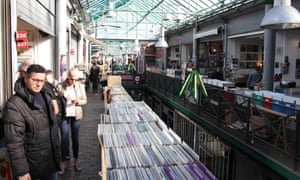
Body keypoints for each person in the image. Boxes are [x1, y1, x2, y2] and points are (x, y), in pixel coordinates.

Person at [3, 64, 60, 180]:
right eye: (35, 80)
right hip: (32, 165)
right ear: (25, 78)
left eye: (42, 81)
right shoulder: (15, 104)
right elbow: (14, 142)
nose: (38, 84)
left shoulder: (45, 95)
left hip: (50, 160)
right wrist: (22, 171)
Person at [59, 68, 87, 174]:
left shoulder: (80, 86)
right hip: (65, 115)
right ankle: (63, 164)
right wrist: (63, 101)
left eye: (76, 79)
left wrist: (77, 101)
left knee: (75, 139)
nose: (74, 82)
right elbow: (57, 99)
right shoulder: (61, 86)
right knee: (64, 139)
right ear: (68, 77)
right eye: (72, 79)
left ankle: (76, 162)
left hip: (76, 114)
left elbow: (85, 100)